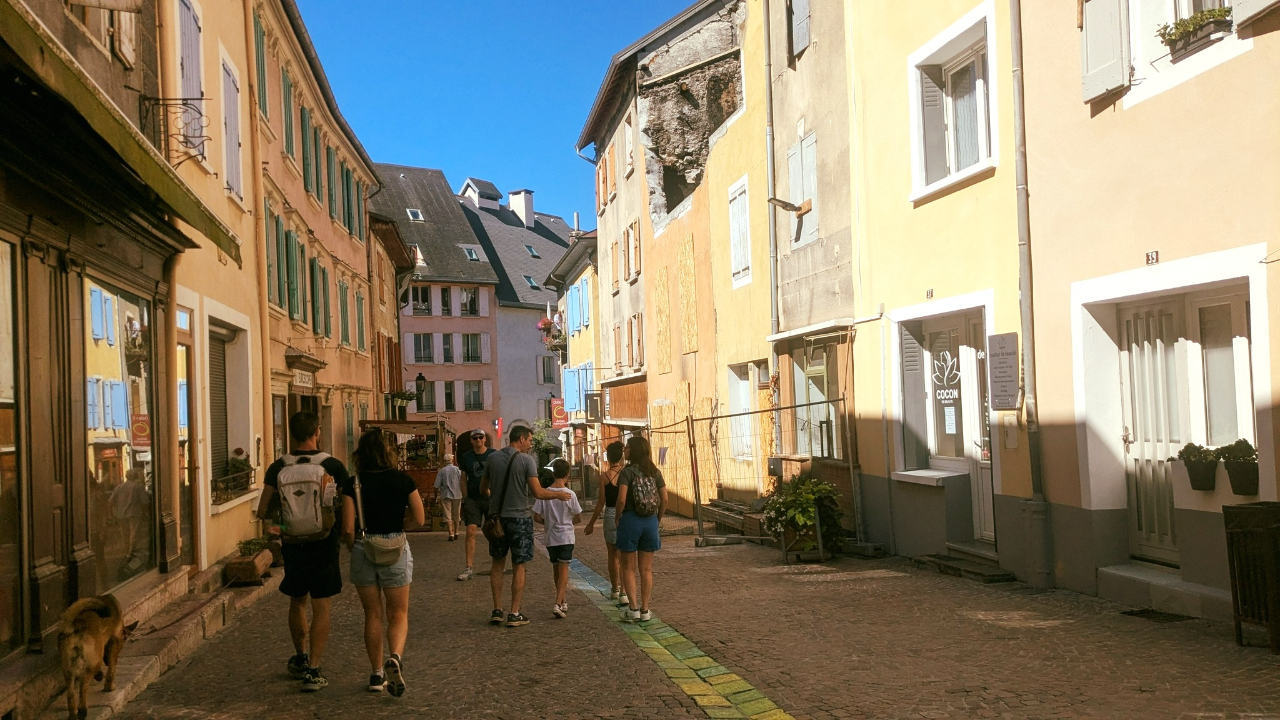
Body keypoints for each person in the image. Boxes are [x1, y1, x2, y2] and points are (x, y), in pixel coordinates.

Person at [255, 411, 349, 692]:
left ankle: (300, 656)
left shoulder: (278, 467)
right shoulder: (332, 465)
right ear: (317, 432)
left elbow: (262, 511)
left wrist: (283, 526)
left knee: (297, 601)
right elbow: (345, 504)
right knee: (322, 603)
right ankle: (315, 669)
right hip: (324, 541)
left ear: (292, 433)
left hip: (293, 542)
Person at [342, 429, 425, 697]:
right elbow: (420, 519)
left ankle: (377, 674)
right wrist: (403, 527)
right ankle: (396, 658)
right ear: (389, 452)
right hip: (395, 547)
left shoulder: (353, 483)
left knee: (373, 614)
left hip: (364, 548)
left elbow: (347, 528)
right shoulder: (403, 480)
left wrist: (350, 545)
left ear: (360, 454)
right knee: (398, 613)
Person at [482, 425, 572, 627]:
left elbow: (483, 488)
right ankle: (514, 612)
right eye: (530, 440)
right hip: (519, 518)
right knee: (519, 564)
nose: (531, 444)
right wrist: (559, 494)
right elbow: (537, 492)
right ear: (521, 439)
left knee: (497, 562)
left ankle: (497, 610)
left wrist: (496, 501)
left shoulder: (492, 458)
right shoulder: (526, 461)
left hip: (496, 519)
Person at [614, 436, 668, 623]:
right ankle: (645, 609)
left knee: (628, 568)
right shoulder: (655, 472)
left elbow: (621, 499)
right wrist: (657, 519)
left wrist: (617, 517)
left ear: (634, 450)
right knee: (646, 569)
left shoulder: (626, 472)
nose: (625, 450)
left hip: (630, 520)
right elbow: (665, 499)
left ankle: (633, 608)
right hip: (650, 522)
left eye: (627, 447)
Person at [532, 459, 582, 618]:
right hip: (566, 536)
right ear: (567, 474)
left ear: (553, 473)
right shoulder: (570, 494)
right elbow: (578, 517)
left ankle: (563, 600)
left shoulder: (544, 493)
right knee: (565, 570)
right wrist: (568, 522)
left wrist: (549, 523)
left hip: (551, 536)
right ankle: (558, 603)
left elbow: (537, 517)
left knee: (556, 569)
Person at [583, 441, 627, 606]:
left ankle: (615, 589)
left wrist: (591, 523)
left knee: (612, 554)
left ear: (608, 457)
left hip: (609, 514)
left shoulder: (604, 477)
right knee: (625, 556)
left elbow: (601, 502)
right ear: (621, 456)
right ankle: (624, 591)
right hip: (625, 515)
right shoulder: (627, 474)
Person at [456, 430, 495, 581]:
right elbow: (463, 478)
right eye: (475, 438)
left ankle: (496, 563)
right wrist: (465, 497)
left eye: (480, 437)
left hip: (489, 498)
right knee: (470, 530)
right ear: (471, 441)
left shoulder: (493, 455)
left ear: (485, 439)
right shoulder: (466, 457)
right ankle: (468, 567)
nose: (478, 440)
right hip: (472, 499)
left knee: (494, 531)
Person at [434, 454, 462, 541]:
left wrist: (435, 495)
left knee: (447, 514)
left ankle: (451, 534)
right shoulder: (458, 470)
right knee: (456, 514)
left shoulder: (442, 471)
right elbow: (463, 482)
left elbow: (436, 485)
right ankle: (457, 532)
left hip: (446, 494)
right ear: (452, 460)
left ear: (444, 461)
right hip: (457, 494)